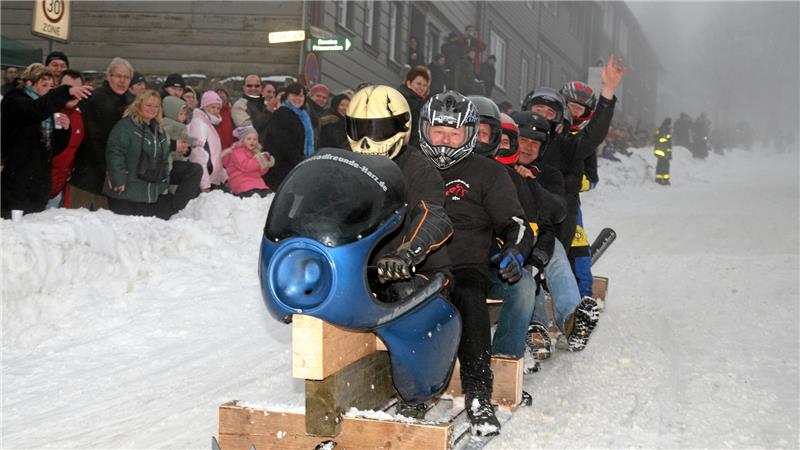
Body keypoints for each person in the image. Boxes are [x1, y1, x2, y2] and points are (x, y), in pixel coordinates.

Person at [419, 91, 534, 436]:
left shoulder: (488, 173)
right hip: (419, 263)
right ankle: (414, 388)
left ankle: (479, 392)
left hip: (467, 264)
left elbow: (515, 222)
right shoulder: (410, 165)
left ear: (469, 135)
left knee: (470, 296)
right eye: (438, 132)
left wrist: (516, 250)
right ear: (424, 130)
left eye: (454, 135)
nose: (445, 141)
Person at [344, 85, 453, 417]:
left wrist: (407, 253)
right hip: (362, 269)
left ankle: (416, 393)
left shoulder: (418, 168)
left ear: (402, 127)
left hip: (418, 270)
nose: (366, 141)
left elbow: (432, 214)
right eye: (359, 130)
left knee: (407, 298)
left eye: (377, 131)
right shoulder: (344, 164)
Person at [511, 111, 599, 354]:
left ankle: (572, 321)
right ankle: (536, 326)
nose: (527, 148)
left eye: (534, 143)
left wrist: (531, 184)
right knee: (528, 271)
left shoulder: (549, 174)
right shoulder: (500, 167)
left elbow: (558, 211)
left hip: (542, 235)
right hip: (507, 239)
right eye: (523, 140)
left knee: (557, 260)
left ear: (542, 147)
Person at [1, 63, 92, 217]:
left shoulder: (46, 106)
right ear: (30, 83)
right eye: (44, 84)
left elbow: (54, 148)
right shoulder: (15, 100)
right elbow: (34, 111)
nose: (48, 89)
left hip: (38, 182)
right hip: (15, 179)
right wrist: (65, 91)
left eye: (51, 85)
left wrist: (64, 129)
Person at [103, 90, 200, 219]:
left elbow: (163, 155)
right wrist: (117, 179)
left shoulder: (158, 129)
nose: (152, 109)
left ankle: (180, 213)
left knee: (171, 218)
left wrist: (164, 183)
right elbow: (114, 152)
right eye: (148, 105)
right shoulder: (125, 126)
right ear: (138, 104)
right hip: (127, 192)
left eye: (156, 106)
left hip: (150, 191)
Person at [69, 57, 134, 211]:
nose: (122, 81)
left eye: (126, 77)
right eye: (118, 76)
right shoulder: (93, 99)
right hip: (89, 175)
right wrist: (109, 169)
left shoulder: (132, 103)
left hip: (118, 178)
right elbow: (92, 139)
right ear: (108, 76)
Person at [262, 82, 314, 190]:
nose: (298, 98)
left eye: (301, 95)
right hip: (280, 168)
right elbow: (282, 142)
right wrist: (299, 160)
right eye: (294, 95)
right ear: (287, 96)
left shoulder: (302, 115)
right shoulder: (282, 113)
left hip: (293, 165)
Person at [49, 69, 86, 208]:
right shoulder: (45, 110)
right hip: (36, 187)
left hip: (61, 189)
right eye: (68, 88)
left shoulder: (82, 115)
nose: (73, 93)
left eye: (77, 89)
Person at [188, 90, 228, 192]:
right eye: (212, 107)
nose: (216, 110)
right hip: (204, 183)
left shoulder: (209, 124)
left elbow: (215, 156)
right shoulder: (199, 123)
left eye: (218, 108)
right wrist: (204, 185)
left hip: (212, 180)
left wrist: (224, 177)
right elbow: (197, 154)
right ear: (204, 107)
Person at [222, 126, 274, 197]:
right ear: (242, 140)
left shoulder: (255, 152)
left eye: (255, 139)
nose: (252, 141)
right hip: (243, 184)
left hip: (256, 183)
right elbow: (247, 166)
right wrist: (258, 159)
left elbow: (261, 172)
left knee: (270, 198)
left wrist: (265, 162)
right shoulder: (237, 151)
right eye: (249, 139)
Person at [398, 66, 430, 148]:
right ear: (409, 83)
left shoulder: (420, 103)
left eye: (425, 85)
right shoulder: (404, 100)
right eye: (418, 84)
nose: (421, 88)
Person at [654, 117, 673, 185]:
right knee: (662, 165)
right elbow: (661, 139)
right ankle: (659, 179)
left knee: (665, 165)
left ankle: (665, 179)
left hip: (665, 150)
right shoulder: (662, 130)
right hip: (662, 150)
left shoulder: (665, 129)